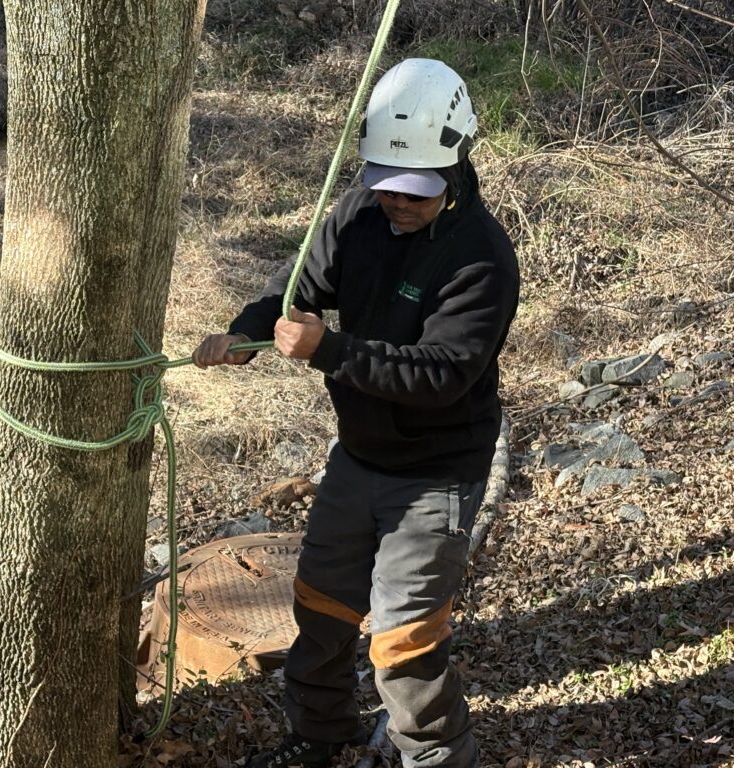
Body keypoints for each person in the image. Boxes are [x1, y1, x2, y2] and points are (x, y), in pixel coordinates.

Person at [193, 58, 520, 768]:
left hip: (435, 475)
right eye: (386, 186)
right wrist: (247, 333)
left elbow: (442, 376)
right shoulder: (358, 215)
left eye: (416, 192)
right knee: (320, 607)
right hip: (358, 458)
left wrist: (329, 349)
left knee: (403, 644)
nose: (398, 203)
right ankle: (320, 734)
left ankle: (434, 759)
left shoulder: (481, 259)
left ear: (455, 169)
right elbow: (299, 287)